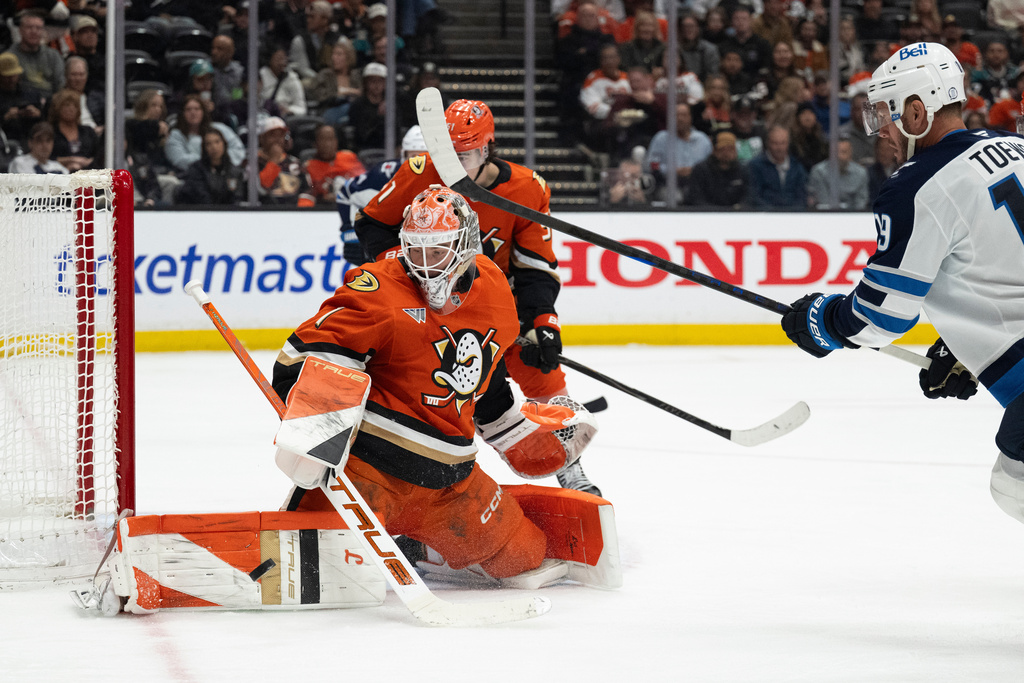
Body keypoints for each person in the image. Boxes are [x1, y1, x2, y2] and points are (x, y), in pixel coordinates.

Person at [271, 186, 601, 590]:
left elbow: (488, 385)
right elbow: (299, 360)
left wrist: (529, 437)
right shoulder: (378, 289)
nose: (425, 265)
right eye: (417, 250)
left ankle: (421, 547)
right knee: (308, 571)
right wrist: (317, 433)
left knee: (525, 557)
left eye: (438, 251)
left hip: (452, 484)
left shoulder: (496, 291)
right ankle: (373, 533)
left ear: (465, 248)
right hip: (369, 475)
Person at [779, 42, 1024, 535]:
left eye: (886, 116)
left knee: (1013, 482)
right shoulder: (1014, 146)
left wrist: (823, 322)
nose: (882, 132)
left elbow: (881, 317)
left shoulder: (917, 186)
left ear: (918, 109)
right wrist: (961, 341)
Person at [355, 100, 604, 496]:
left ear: (488, 148)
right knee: (442, 397)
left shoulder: (527, 188)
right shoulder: (420, 172)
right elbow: (370, 223)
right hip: (435, 306)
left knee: (546, 375)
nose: (455, 164)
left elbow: (534, 267)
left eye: (466, 154)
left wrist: (543, 323)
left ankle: (569, 469)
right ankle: (432, 490)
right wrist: (409, 268)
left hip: (497, 301)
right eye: (448, 153)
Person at [336, 124, 429, 265]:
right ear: (403, 154)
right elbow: (345, 192)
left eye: (425, 156)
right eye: (414, 156)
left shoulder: (448, 177)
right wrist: (350, 232)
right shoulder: (383, 174)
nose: (419, 162)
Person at [644, 101, 713, 200]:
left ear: (690, 117)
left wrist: (694, 171)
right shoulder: (661, 138)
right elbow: (652, 165)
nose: (680, 119)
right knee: (676, 198)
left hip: (698, 185)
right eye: (676, 115)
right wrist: (672, 170)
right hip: (668, 185)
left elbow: (710, 165)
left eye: (684, 115)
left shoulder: (702, 140)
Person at [165, 94, 246, 176]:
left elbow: (238, 149)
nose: (193, 112)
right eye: (188, 109)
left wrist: (221, 161)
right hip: (191, 177)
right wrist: (210, 160)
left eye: (197, 109)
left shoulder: (220, 128)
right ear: (182, 113)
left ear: (203, 111)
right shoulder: (176, 135)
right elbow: (179, 160)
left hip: (226, 174)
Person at [174, 127, 246, 205]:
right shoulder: (196, 170)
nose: (214, 147)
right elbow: (203, 198)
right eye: (209, 144)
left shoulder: (234, 171)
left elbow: (236, 199)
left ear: (224, 144)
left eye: (217, 142)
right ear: (204, 148)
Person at [257, 115, 315, 206]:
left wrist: (301, 211)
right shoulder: (254, 163)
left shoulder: (295, 164)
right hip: (265, 212)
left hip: (294, 212)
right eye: (272, 135)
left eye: (281, 135)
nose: (277, 140)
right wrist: (273, 160)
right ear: (262, 138)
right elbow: (262, 189)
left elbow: (307, 192)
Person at [747, 124, 808, 208]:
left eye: (783, 143)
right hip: (765, 215)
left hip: (793, 216)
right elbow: (754, 196)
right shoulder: (755, 166)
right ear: (768, 143)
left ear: (788, 143)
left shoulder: (796, 166)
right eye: (775, 143)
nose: (779, 148)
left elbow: (802, 196)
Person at [303, 123, 365, 204]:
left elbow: (364, 183)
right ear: (315, 144)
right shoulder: (309, 166)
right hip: (326, 209)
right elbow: (310, 196)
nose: (327, 144)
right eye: (323, 139)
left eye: (331, 139)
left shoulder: (349, 157)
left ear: (336, 141)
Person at [686, 130, 748, 208]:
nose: (726, 153)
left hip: (737, 215)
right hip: (707, 215)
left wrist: (740, 208)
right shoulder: (701, 170)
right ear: (714, 150)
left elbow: (749, 196)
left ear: (736, 151)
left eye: (730, 149)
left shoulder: (743, 170)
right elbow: (696, 198)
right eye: (722, 149)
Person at [10, 11, 64, 99]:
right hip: (20, 103)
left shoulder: (53, 56)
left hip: (50, 104)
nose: (34, 31)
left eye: (38, 28)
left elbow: (60, 85)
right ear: (20, 30)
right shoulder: (10, 56)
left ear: (43, 31)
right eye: (29, 27)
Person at [307, 39, 361, 125]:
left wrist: (344, 92)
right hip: (329, 110)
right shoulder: (325, 75)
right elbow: (317, 94)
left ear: (349, 57)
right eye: (333, 54)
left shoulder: (355, 76)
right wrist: (349, 92)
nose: (334, 57)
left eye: (339, 54)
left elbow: (362, 94)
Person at [806, 137, 869, 210]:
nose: (839, 156)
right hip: (826, 216)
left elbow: (860, 204)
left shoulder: (861, 173)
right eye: (835, 152)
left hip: (853, 217)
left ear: (850, 154)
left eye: (843, 152)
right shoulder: (819, 172)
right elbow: (823, 203)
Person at [0, 51, 44, 146]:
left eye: (14, 75)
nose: (11, 79)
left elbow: (46, 121)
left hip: (32, 140)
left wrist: (38, 114)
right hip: (5, 142)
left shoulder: (31, 93)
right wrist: (5, 118)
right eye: (7, 76)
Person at [48, 88, 97, 172]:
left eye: (75, 105)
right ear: (57, 108)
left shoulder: (88, 132)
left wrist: (87, 162)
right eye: (67, 105)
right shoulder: (50, 132)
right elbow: (45, 158)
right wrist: (71, 160)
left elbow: (99, 155)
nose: (71, 109)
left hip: (88, 175)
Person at [260, 46, 308, 117]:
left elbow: (302, 108)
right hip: (265, 115)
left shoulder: (293, 78)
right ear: (270, 60)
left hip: (287, 117)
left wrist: (288, 110)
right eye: (278, 59)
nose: (282, 63)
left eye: (284, 59)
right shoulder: (261, 76)